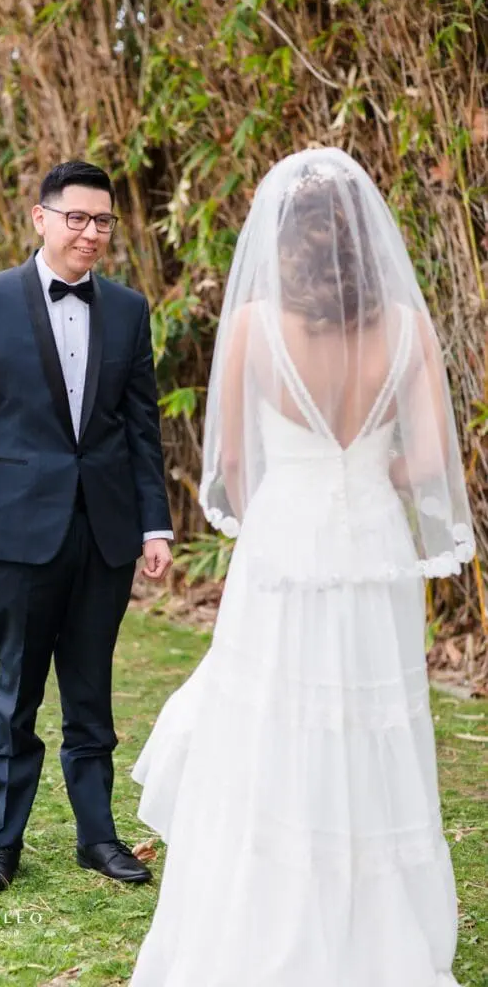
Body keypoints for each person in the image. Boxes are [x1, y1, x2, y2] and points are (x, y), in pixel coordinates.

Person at [130, 147, 474, 986]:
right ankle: (376, 935)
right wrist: (365, 472)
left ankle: (264, 923)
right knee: (371, 731)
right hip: (374, 551)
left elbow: (236, 469)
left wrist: (300, 484)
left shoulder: (251, 325)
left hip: (284, 547)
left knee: (273, 730)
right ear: (364, 239)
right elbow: (429, 460)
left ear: (281, 242)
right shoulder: (409, 325)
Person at [0, 160, 174, 893]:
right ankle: (2, 842)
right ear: (40, 218)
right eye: (77, 218)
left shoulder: (129, 310)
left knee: (91, 692)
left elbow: (140, 430)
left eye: (102, 221)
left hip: (104, 530)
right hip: (12, 530)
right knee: (17, 691)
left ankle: (97, 838)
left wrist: (154, 526)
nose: (91, 233)